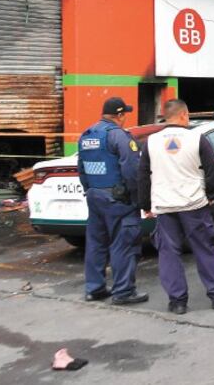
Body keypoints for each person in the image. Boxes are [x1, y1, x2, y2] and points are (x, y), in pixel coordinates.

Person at [139, 99, 214, 314]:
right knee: (204, 249)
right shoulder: (196, 138)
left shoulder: (151, 142)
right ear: (182, 115)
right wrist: (210, 196)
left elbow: (142, 176)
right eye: (187, 115)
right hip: (195, 205)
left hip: (164, 207)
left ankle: (178, 302)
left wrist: (146, 205)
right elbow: (212, 172)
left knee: (169, 253)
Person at [77, 97, 148, 305]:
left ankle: (95, 288)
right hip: (119, 199)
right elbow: (131, 170)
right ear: (119, 115)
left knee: (96, 244)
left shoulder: (87, 135)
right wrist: (137, 197)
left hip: (95, 197)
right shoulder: (119, 136)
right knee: (124, 244)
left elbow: (81, 168)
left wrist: (89, 190)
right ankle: (123, 291)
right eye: (124, 114)